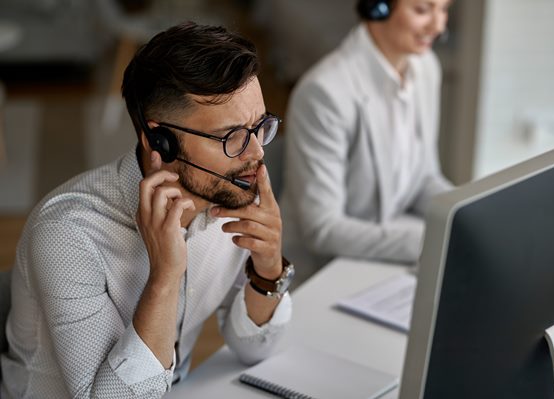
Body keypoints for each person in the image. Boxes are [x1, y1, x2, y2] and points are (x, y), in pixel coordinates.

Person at [1, 22, 294, 398]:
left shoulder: (232, 193)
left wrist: (267, 269)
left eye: (260, 127)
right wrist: (165, 275)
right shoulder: (66, 234)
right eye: (231, 137)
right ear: (160, 140)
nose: (257, 153)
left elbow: (254, 348)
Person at [280, 0, 454, 284]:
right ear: (378, 7)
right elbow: (322, 228)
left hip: (385, 257)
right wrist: (428, 242)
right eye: (423, 10)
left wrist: (465, 217)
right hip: (324, 272)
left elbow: (423, 178)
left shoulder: (426, 68)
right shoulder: (325, 91)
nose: (439, 26)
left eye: (445, 9)